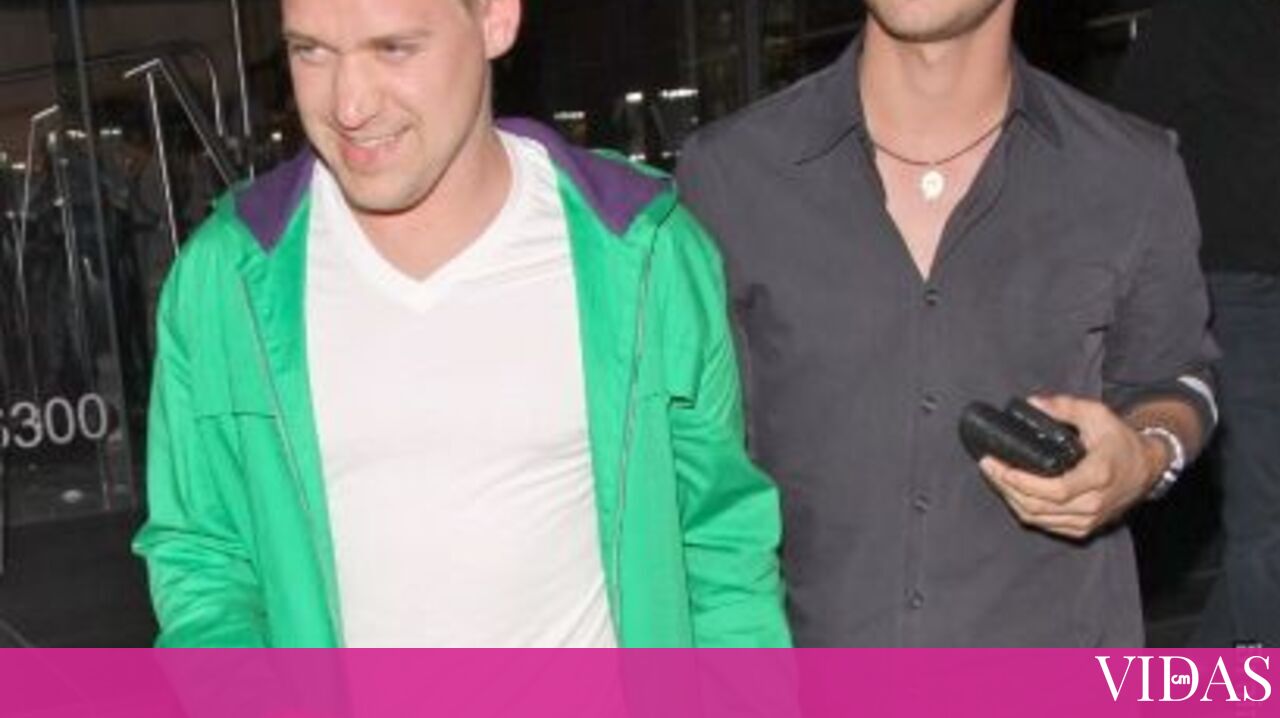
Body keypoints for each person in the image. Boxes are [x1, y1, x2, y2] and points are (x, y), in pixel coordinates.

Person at [134, 0, 789, 648]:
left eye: (394, 48)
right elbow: (204, 565)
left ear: (496, 19)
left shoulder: (645, 252)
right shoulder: (225, 280)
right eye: (311, 51)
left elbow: (721, 550)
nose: (350, 105)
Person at [677, 0, 1217, 646]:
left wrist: (1146, 456)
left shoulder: (1130, 172)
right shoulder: (729, 176)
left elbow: (1178, 379)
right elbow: (689, 462)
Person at [1111, 0, 1280, 648]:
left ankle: (1207, 681)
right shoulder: (1196, 20)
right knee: (1268, 511)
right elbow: (1129, 143)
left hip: (1244, 279)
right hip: (1235, 288)